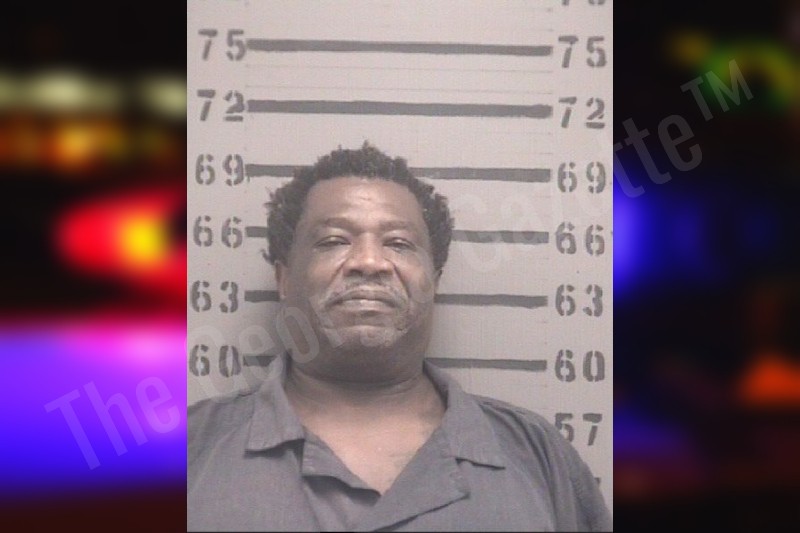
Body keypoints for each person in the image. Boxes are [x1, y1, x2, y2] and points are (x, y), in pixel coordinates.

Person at [188, 142, 612, 531]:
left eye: (399, 243)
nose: (369, 261)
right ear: (283, 278)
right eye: (334, 240)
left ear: (434, 281)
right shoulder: (188, 450)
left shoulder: (539, 459)